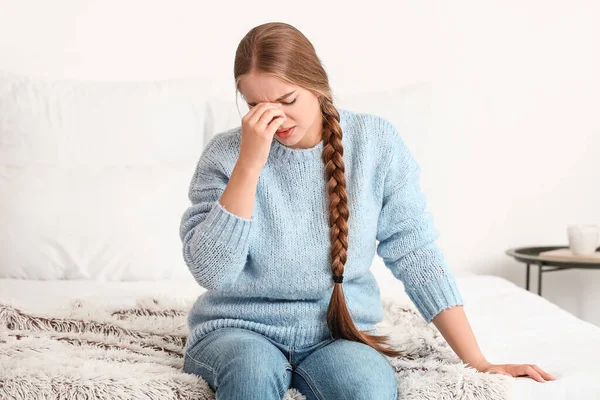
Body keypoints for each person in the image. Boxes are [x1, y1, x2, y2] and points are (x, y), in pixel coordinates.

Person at [179, 21, 555, 400]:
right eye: (256, 106)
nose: (275, 120)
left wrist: (478, 360)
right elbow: (213, 271)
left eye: (287, 101)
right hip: (238, 331)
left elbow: (415, 251)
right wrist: (249, 164)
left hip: (337, 333)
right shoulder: (225, 155)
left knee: (368, 388)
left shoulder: (375, 143)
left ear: (317, 85)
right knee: (251, 375)